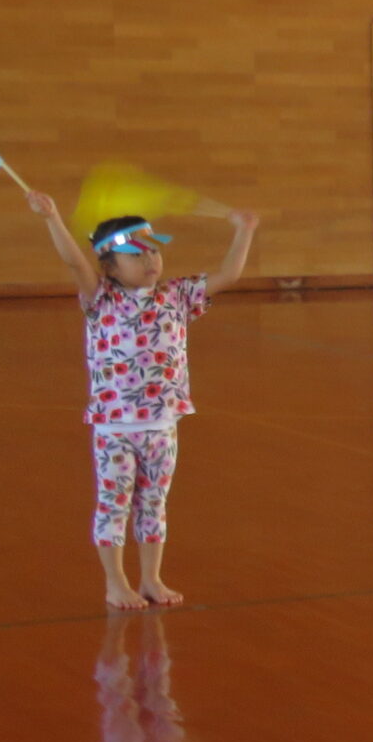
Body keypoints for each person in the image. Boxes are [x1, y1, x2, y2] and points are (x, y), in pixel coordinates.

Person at [26, 193, 259, 608]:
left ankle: (151, 578)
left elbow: (229, 274)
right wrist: (52, 218)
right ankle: (116, 582)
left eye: (153, 251)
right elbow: (73, 261)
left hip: (162, 426)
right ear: (110, 266)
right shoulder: (100, 297)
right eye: (136, 255)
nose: (150, 259)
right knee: (114, 505)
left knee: (154, 503)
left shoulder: (177, 295)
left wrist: (244, 231)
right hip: (115, 427)